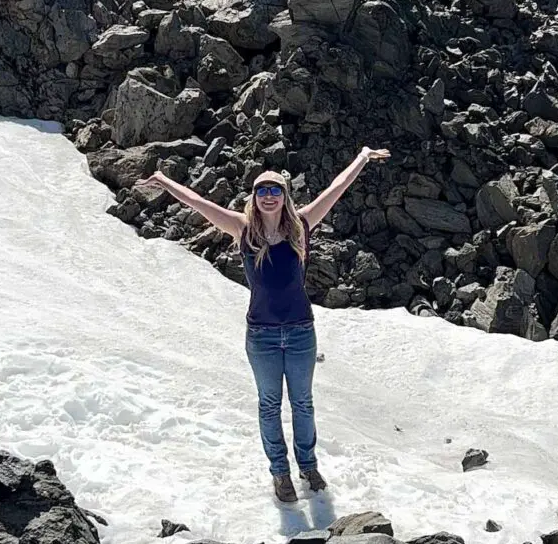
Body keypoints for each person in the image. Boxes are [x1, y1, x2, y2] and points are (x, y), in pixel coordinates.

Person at [136, 146, 390, 502]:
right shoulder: (242, 229)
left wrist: (362, 157)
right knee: (269, 404)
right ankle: (280, 473)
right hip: (261, 335)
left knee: (303, 403)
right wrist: (164, 180)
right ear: (253, 198)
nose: (269, 197)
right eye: (262, 191)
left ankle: (308, 465)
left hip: (302, 331)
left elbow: (336, 189)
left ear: (284, 197)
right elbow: (198, 203)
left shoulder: (301, 225)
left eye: (275, 190)